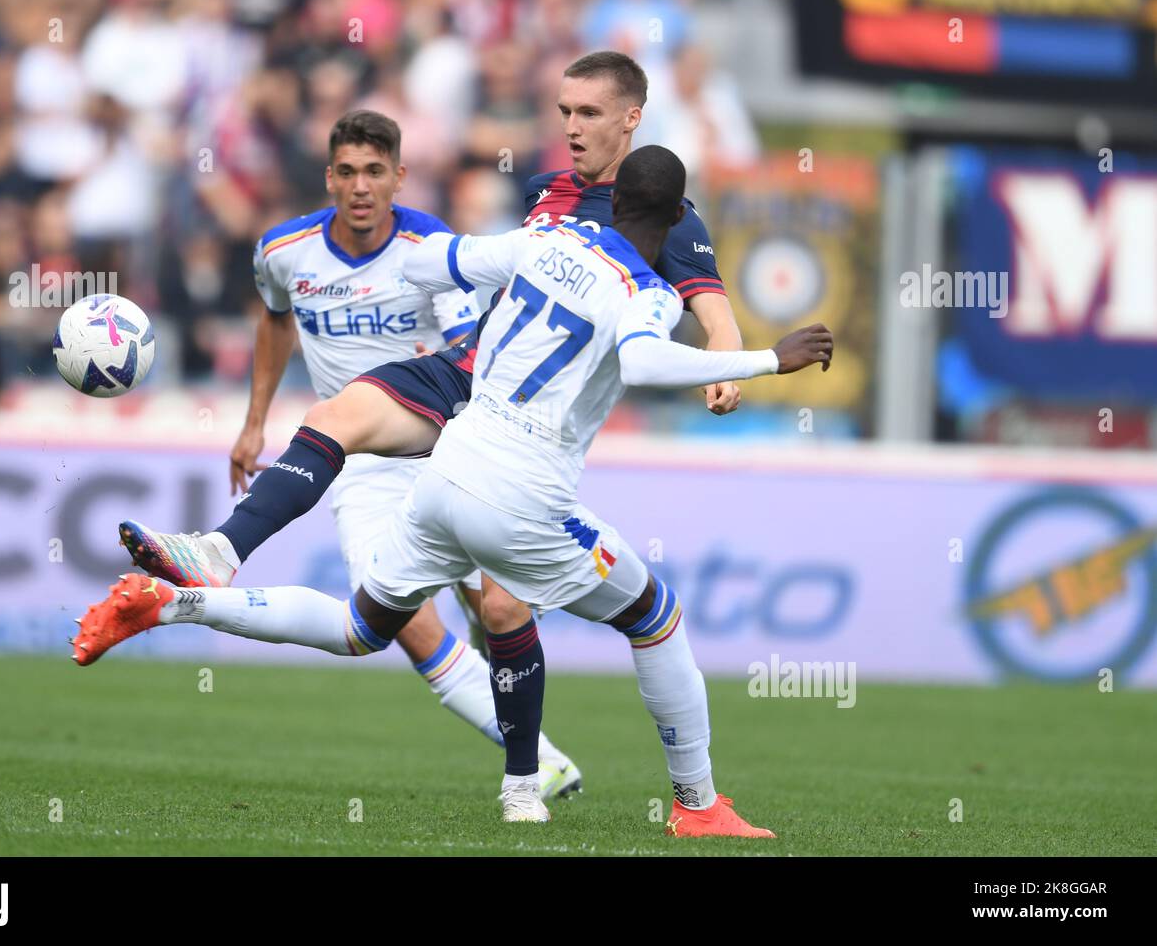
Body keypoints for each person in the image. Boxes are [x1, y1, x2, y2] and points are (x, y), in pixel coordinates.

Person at [74, 145, 834, 832]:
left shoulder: (544, 238)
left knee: (361, 628)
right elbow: (642, 364)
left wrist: (460, 270)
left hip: (443, 474)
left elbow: (427, 264)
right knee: (655, 617)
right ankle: (699, 807)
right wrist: (767, 361)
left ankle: (177, 601)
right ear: (674, 219)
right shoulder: (649, 293)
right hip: (523, 497)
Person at [124, 50, 745, 661]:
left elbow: (716, 316)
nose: (572, 127)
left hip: (524, 425)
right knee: (332, 419)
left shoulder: (672, 220)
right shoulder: (542, 191)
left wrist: (727, 370)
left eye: (589, 112)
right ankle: (217, 554)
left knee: (494, 611)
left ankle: (533, 764)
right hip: (464, 370)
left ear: (632, 118)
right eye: (565, 111)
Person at [118, 108, 581, 800]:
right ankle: (539, 761)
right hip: (356, 464)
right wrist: (252, 424)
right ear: (329, 178)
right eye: (347, 172)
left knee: (497, 614)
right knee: (399, 621)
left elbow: (468, 358)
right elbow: (275, 321)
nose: (361, 186)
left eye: (374, 172)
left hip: (447, 447)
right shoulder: (283, 251)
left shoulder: (433, 252)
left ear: (398, 177)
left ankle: (517, 708)